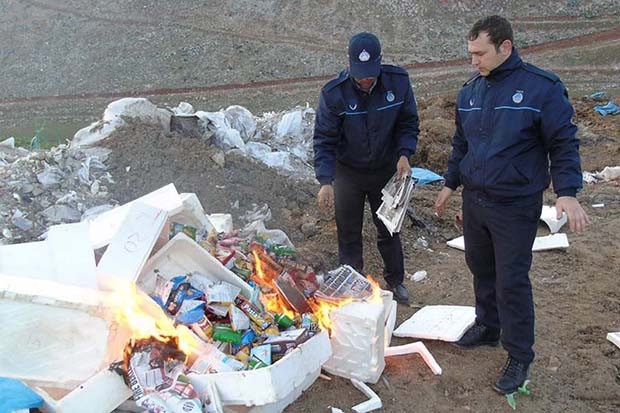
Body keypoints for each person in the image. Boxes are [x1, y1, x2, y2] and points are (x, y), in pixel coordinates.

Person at [434, 15, 590, 394]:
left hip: (515, 203)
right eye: (470, 54)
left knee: (512, 280)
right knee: (480, 266)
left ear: (505, 47)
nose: (473, 61)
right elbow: (461, 144)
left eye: (480, 53)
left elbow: (563, 143)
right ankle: (489, 325)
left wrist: (566, 190)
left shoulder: (541, 89)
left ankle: (519, 353)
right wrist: (450, 183)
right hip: (476, 200)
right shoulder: (471, 92)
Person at [313, 32, 419, 304]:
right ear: (349, 65)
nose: (365, 80)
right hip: (348, 172)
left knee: (389, 229)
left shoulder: (398, 82)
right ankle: (353, 285)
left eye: (370, 74)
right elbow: (324, 139)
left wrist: (404, 154)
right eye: (360, 74)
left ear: (379, 63)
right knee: (348, 232)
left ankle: (396, 282)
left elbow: (408, 124)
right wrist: (325, 180)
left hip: (387, 170)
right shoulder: (334, 94)